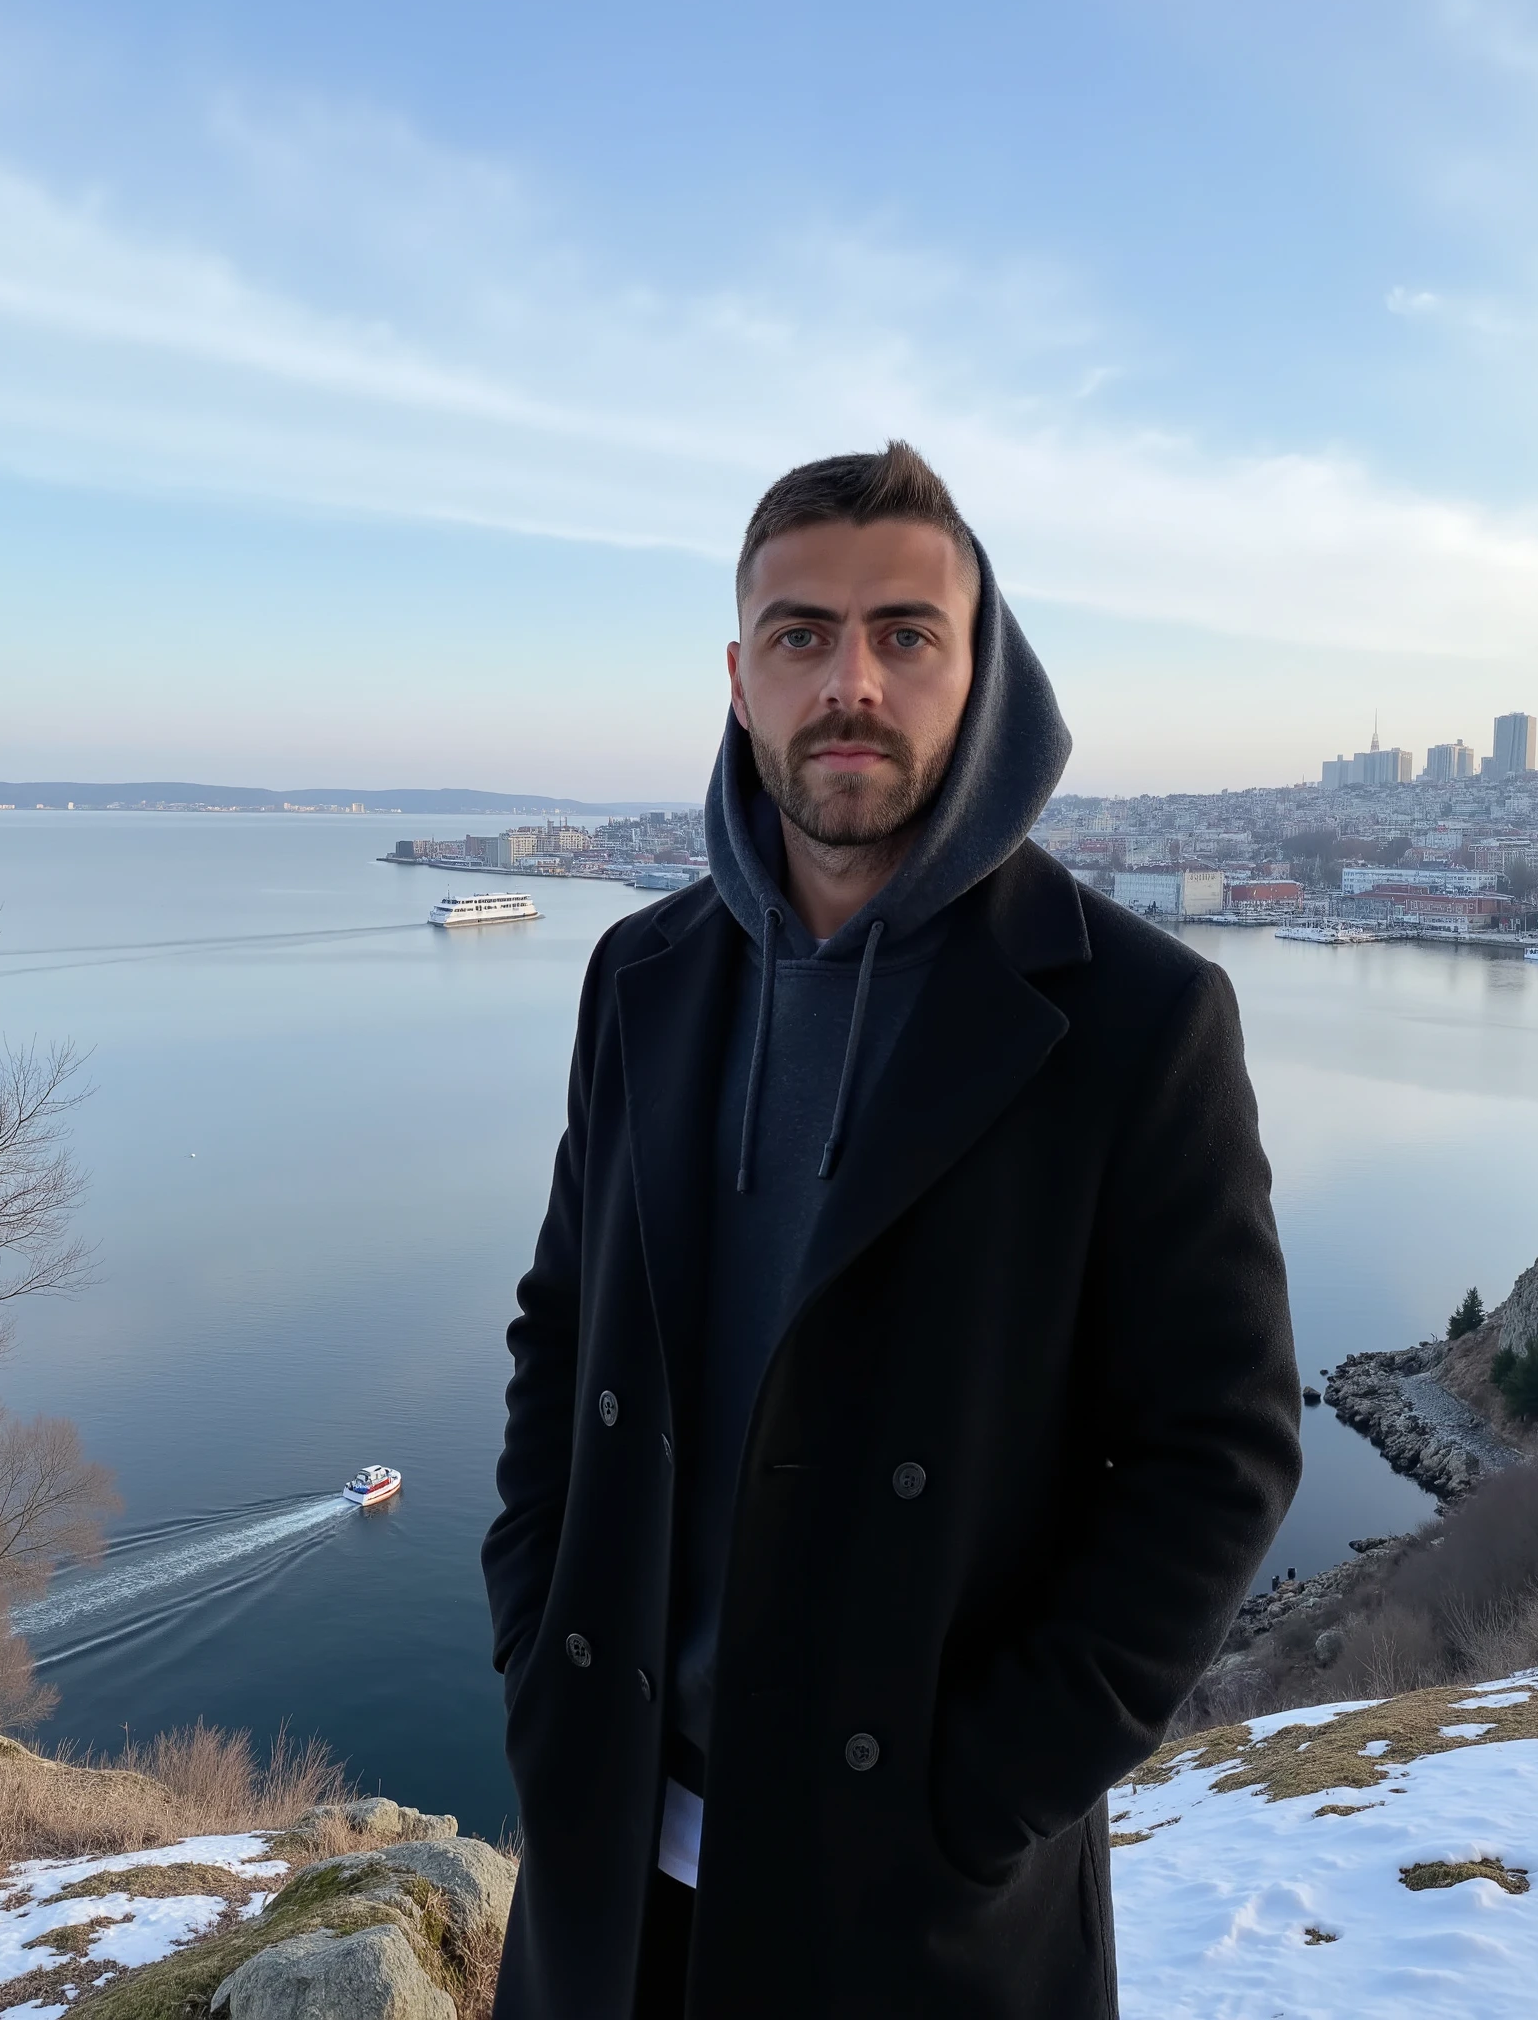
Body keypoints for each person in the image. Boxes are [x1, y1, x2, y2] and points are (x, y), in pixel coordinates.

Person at [482, 442, 1302, 2018]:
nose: (849, 680)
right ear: (739, 675)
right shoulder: (640, 980)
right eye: (801, 634)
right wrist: (537, 1653)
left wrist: (983, 1792)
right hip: (606, 1865)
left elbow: (1222, 1452)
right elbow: (560, 1335)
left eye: (905, 634)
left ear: (976, 668)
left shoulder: (1135, 1017)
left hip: (920, 1905)